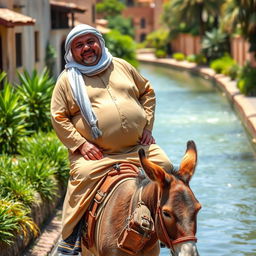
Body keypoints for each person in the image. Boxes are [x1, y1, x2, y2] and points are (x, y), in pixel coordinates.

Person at [50, 24, 172, 255]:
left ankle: (168, 228)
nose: (87, 48)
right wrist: (81, 144)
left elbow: (147, 91)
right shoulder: (67, 80)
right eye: (79, 45)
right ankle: (71, 239)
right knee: (83, 177)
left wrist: (146, 125)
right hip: (97, 154)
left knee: (165, 168)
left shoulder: (121, 65)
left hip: (138, 147)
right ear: (72, 52)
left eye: (90, 41)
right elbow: (58, 117)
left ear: (100, 42)